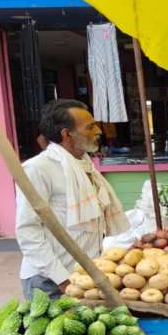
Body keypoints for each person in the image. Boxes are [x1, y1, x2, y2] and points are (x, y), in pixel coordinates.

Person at [16, 99, 129, 300]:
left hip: (85, 276)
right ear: (66, 134)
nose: (99, 131)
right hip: (49, 280)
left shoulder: (85, 166)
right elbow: (28, 230)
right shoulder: (38, 169)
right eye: (90, 127)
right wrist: (63, 280)